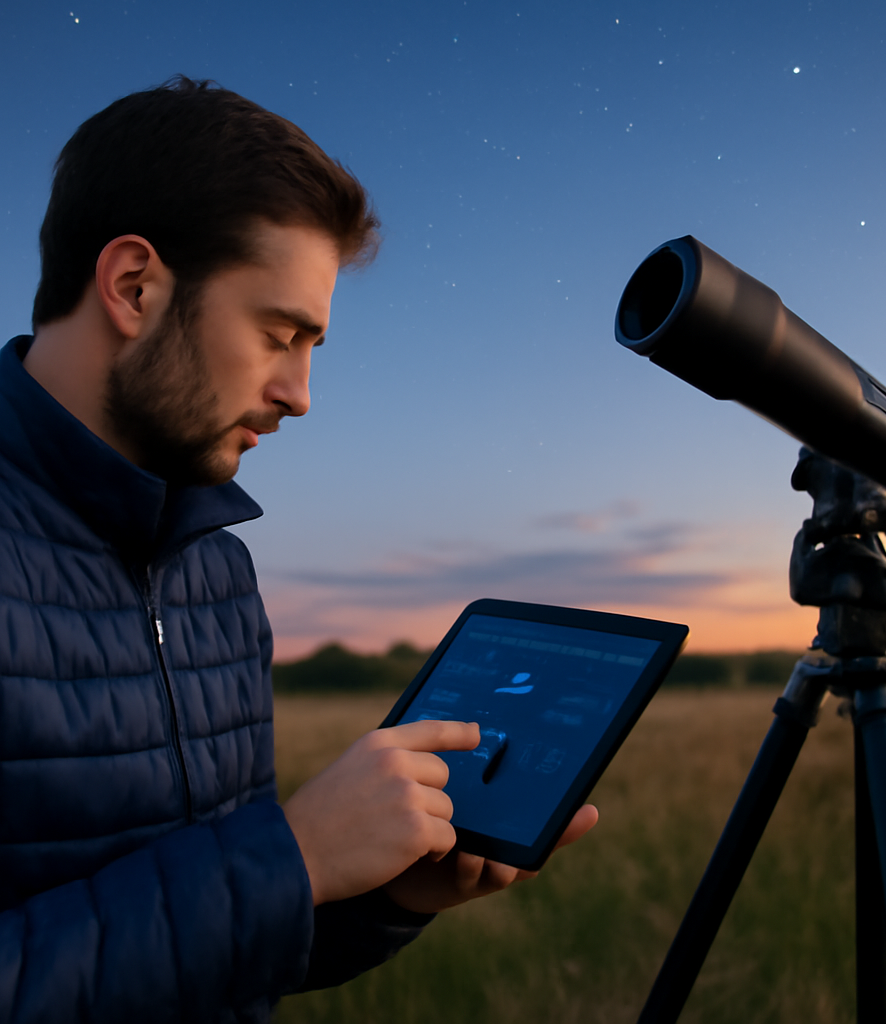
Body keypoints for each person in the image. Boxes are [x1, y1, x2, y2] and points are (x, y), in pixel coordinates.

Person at [0, 77, 597, 1022]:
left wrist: (387, 896)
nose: (300, 393)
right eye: (280, 334)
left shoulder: (216, 570)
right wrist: (293, 856)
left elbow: (230, 950)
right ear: (134, 287)